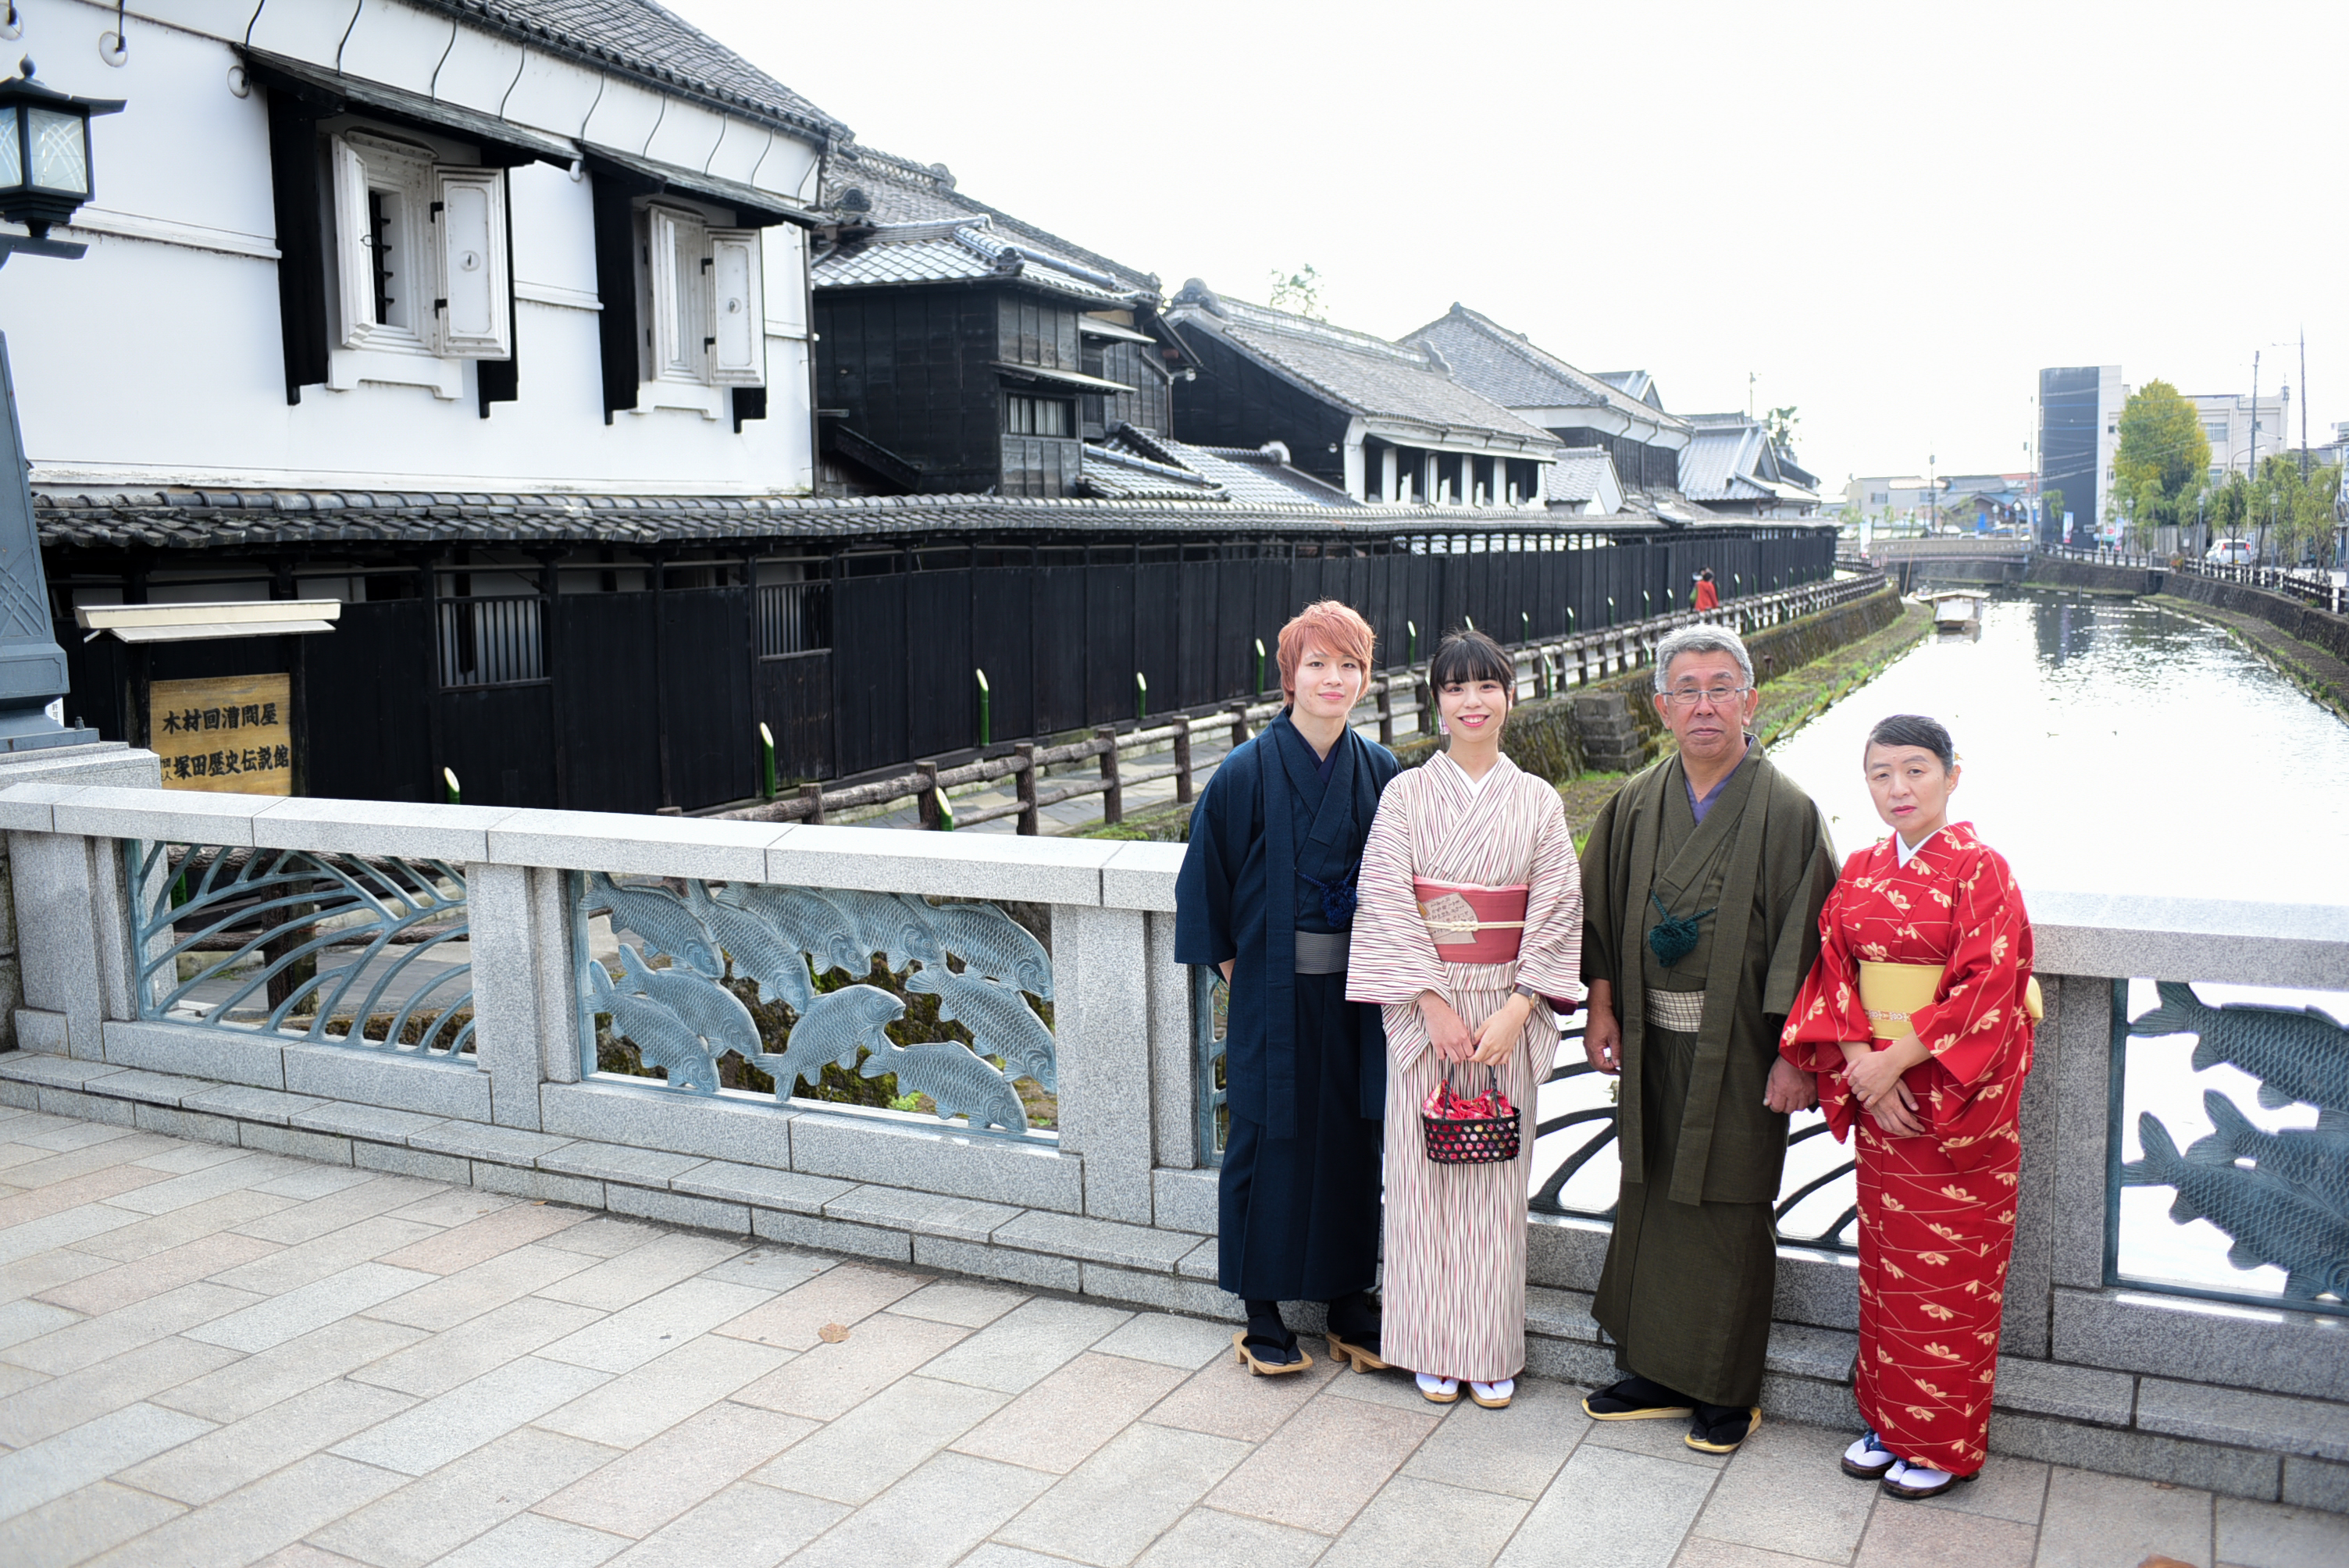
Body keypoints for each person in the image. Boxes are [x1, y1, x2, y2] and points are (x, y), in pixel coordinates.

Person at [1578, 622, 1837, 1453]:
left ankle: (1725, 1390)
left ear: (1748, 700)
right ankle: (1652, 1367)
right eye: (1684, 689)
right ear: (1658, 705)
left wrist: (1800, 1055)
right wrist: (1602, 1008)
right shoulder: (1634, 802)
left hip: (1742, 1052)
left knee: (1728, 1202)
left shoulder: (1787, 811)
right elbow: (1600, 910)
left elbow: (1814, 941)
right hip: (1650, 1042)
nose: (1702, 704)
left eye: (1719, 686)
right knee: (1649, 1189)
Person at [1780, 714, 2037, 1500]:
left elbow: (1989, 984)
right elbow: (1831, 973)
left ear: (1951, 775)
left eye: (1914, 770)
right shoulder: (1857, 868)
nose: (1896, 788)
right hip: (1880, 1099)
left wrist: (1893, 1059)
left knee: (1950, 1279)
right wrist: (1859, 1064)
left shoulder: (1980, 870)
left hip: (1950, 1103)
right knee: (1887, 1271)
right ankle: (1889, 1423)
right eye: (1879, 773)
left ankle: (1943, 1441)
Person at [1346, 629, 1584, 1409]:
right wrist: (1430, 999)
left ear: (1509, 697)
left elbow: (1554, 909)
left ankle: (1487, 1349)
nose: (1472, 701)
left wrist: (1520, 1007)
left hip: (1503, 1013)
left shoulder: (1537, 802)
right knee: (1417, 1184)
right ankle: (1423, 1343)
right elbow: (1382, 895)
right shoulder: (1406, 795)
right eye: (1455, 688)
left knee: (1493, 1187)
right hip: (1425, 1010)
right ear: (1436, 702)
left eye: (1487, 686)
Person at [1177, 600, 1399, 1375]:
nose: (1332, 678)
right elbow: (1204, 891)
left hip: (1357, 997)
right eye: (1317, 664)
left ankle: (1346, 1300)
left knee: (1349, 1138)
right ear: (1288, 676)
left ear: (1365, 678)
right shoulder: (1243, 772)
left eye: (1348, 665)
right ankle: (1261, 1310)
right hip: (1272, 992)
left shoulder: (1380, 772)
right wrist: (1252, 979)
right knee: (1265, 1138)